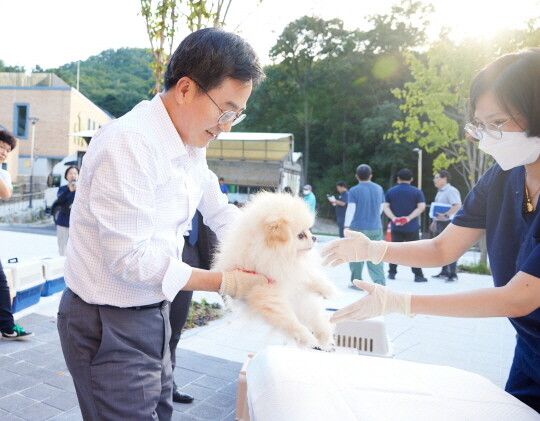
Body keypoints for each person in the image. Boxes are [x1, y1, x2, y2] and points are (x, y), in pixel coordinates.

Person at [57, 28, 267, 421]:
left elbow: (220, 210)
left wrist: (271, 246)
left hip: (151, 312)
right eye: (225, 110)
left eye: (237, 114)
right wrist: (226, 282)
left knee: (160, 412)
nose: (227, 126)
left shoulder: (188, 141)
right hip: (107, 320)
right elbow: (131, 260)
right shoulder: (130, 143)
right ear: (186, 88)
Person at [322, 48, 540, 412]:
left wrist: (401, 302)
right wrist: (374, 250)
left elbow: (518, 297)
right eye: (480, 125)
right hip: (530, 349)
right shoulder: (502, 177)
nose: (485, 137)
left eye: (498, 122)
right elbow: (443, 249)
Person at [169, 211, 217, 404]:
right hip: (161, 254)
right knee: (150, 329)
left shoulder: (201, 181)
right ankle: (148, 384)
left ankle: (167, 383)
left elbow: (217, 215)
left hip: (189, 257)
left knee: (174, 328)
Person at [0, 129, 34, 340]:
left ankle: (7, 326)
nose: (4, 153)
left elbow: (5, 193)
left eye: (7, 151)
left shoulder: (3, 174)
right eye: (1, 147)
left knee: (1, 283)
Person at [383, 168, 427, 282]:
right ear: (411, 179)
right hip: (412, 226)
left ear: (398, 179)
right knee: (414, 251)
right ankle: (418, 275)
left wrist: (394, 218)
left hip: (396, 226)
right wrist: (408, 218)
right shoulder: (417, 192)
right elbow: (421, 207)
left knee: (395, 250)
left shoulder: (391, 191)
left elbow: (385, 206)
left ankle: (392, 273)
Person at [345, 164, 386, 286]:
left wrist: (346, 226)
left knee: (356, 255)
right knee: (376, 254)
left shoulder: (354, 190)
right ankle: (379, 283)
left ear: (357, 176)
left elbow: (351, 209)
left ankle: (357, 282)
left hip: (357, 227)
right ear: (371, 176)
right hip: (375, 226)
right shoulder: (379, 188)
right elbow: (381, 207)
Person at [430, 170, 462, 281]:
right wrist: (434, 221)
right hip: (440, 223)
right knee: (442, 248)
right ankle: (444, 271)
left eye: (437, 177)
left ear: (444, 179)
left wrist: (446, 215)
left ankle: (452, 273)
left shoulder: (451, 191)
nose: (435, 180)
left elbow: (457, 205)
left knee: (450, 247)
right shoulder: (440, 191)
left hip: (448, 223)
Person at [54, 166, 79, 256]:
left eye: (75, 173)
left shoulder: (81, 189)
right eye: (70, 173)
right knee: (63, 248)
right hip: (63, 222)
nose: (73, 175)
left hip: (76, 223)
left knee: (75, 250)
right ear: (66, 176)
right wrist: (69, 190)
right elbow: (61, 202)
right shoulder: (63, 189)